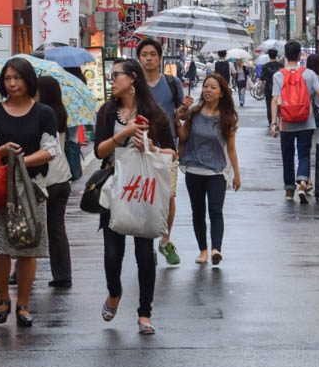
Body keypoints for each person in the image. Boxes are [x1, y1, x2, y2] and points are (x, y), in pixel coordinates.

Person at [94, 57, 175, 335]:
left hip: (143, 189)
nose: (112, 80)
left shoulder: (155, 114)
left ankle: (144, 313)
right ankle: (114, 293)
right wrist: (125, 133)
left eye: (117, 75)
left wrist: (151, 146)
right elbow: (99, 152)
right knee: (112, 254)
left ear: (132, 80)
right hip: (114, 189)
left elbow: (172, 153)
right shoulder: (107, 112)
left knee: (144, 253)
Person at [0, 57, 58, 328]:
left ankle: (23, 303)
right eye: (7, 78)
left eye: (17, 78)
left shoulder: (44, 113)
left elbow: (51, 150)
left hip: (33, 187)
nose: (12, 83)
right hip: (0, 187)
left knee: (29, 246)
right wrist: (3, 151)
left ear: (28, 80)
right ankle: (3, 300)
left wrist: (23, 161)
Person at [177, 73, 241, 265]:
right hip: (194, 171)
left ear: (221, 93)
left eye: (213, 87)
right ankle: (203, 250)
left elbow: (231, 148)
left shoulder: (227, 118)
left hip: (216, 173)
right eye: (206, 86)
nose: (208, 90)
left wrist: (237, 174)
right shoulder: (194, 113)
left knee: (215, 210)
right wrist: (177, 116)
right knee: (198, 212)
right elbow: (182, 136)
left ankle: (216, 249)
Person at [136, 38, 187, 265]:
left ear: (159, 57)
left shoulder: (172, 82)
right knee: (144, 198)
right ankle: (148, 242)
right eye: (144, 54)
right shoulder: (134, 85)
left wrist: (185, 110)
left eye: (152, 54)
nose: (148, 58)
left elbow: (181, 112)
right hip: (139, 149)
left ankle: (165, 240)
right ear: (139, 59)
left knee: (169, 196)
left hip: (167, 149)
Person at [269, 40, 319, 202]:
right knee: (304, 154)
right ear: (300, 55)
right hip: (307, 121)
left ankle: (289, 191)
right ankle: (303, 182)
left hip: (287, 122)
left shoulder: (279, 75)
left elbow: (274, 100)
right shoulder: (309, 74)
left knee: (288, 156)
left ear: (285, 55)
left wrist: (274, 123)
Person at [37, 77, 75, 289]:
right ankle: (63, 274)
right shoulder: (60, 113)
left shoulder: (41, 115)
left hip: (46, 178)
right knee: (56, 228)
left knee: (32, 225)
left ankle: (23, 270)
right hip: (62, 177)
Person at [259, 48, 282, 113]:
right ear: (276, 55)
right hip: (279, 89)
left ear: (269, 55)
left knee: (269, 107)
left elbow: (261, 78)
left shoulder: (265, 66)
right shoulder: (281, 66)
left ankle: (271, 122)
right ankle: (278, 119)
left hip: (268, 89)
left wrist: (259, 88)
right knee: (279, 106)